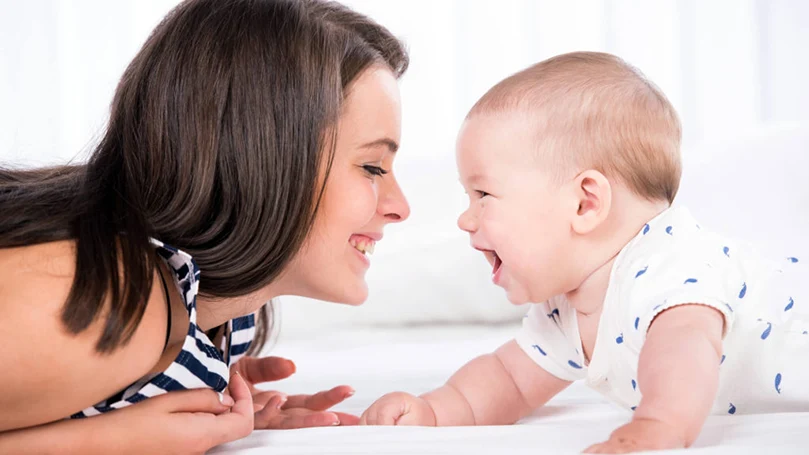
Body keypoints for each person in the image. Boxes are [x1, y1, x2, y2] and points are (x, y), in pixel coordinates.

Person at [0, 0, 410, 452]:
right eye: (372, 167)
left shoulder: (226, 318)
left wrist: (206, 395)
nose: (400, 207)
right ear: (261, 162)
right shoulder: (116, 299)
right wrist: (107, 440)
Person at [360, 51, 809, 453]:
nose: (465, 219)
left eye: (482, 194)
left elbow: (683, 350)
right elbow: (509, 379)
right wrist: (435, 410)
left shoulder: (670, 265)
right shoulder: (569, 310)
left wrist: (659, 424)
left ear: (584, 203)